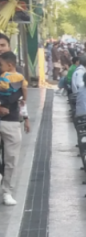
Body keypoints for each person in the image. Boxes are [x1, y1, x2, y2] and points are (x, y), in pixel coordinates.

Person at [0, 51, 26, 207]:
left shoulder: (19, 76)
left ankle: (7, 192)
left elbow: (18, 97)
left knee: (11, 159)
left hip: (12, 121)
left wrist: (26, 118)